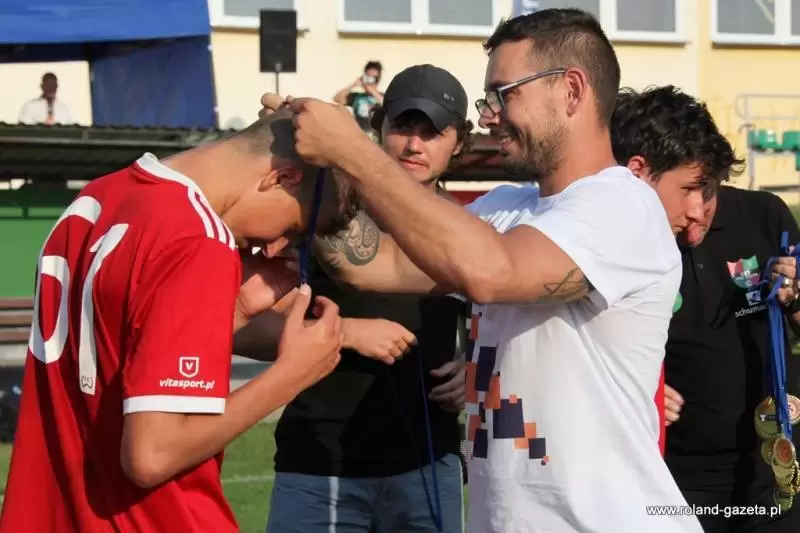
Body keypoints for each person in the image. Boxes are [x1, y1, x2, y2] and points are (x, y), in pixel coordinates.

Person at [266, 8, 706, 533]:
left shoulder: (622, 205)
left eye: (504, 93)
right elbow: (375, 263)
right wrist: (314, 167)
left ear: (571, 90)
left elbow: (491, 272)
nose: (490, 116)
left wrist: (354, 152)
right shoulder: (505, 206)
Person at [0, 108, 354, 533]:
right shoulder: (198, 239)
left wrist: (236, 312)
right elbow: (152, 456)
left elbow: (115, 358)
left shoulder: (98, 197)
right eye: (296, 229)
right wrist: (291, 375)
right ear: (281, 178)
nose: (279, 246)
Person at [242, 64, 472, 533]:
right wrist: (345, 333)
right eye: (403, 126)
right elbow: (239, 327)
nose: (414, 144)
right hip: (318, 468)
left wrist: (474, 365)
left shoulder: (470, 233)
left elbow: (505, 312)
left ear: (459, 142)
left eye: (432, 132)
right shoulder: (317, 210)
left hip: (429, 466)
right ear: (378, 126)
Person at [613, 88, 800, 532]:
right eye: (687, 190)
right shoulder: (619, 241)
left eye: (708, 189)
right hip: (671, 480)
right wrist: (639, 388)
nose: (697, 211)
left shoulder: (764, 215)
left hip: (771, 471)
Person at [334, 60, 384, 132]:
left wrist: (373, 92)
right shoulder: (357, 97)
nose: (370, 81)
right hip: (359, 134)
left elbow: (387, 106)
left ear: (379, 79)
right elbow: (337, 98)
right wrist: (353, 85)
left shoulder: (384, 96)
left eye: (374, 78)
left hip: (375, 136)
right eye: (368, 77)